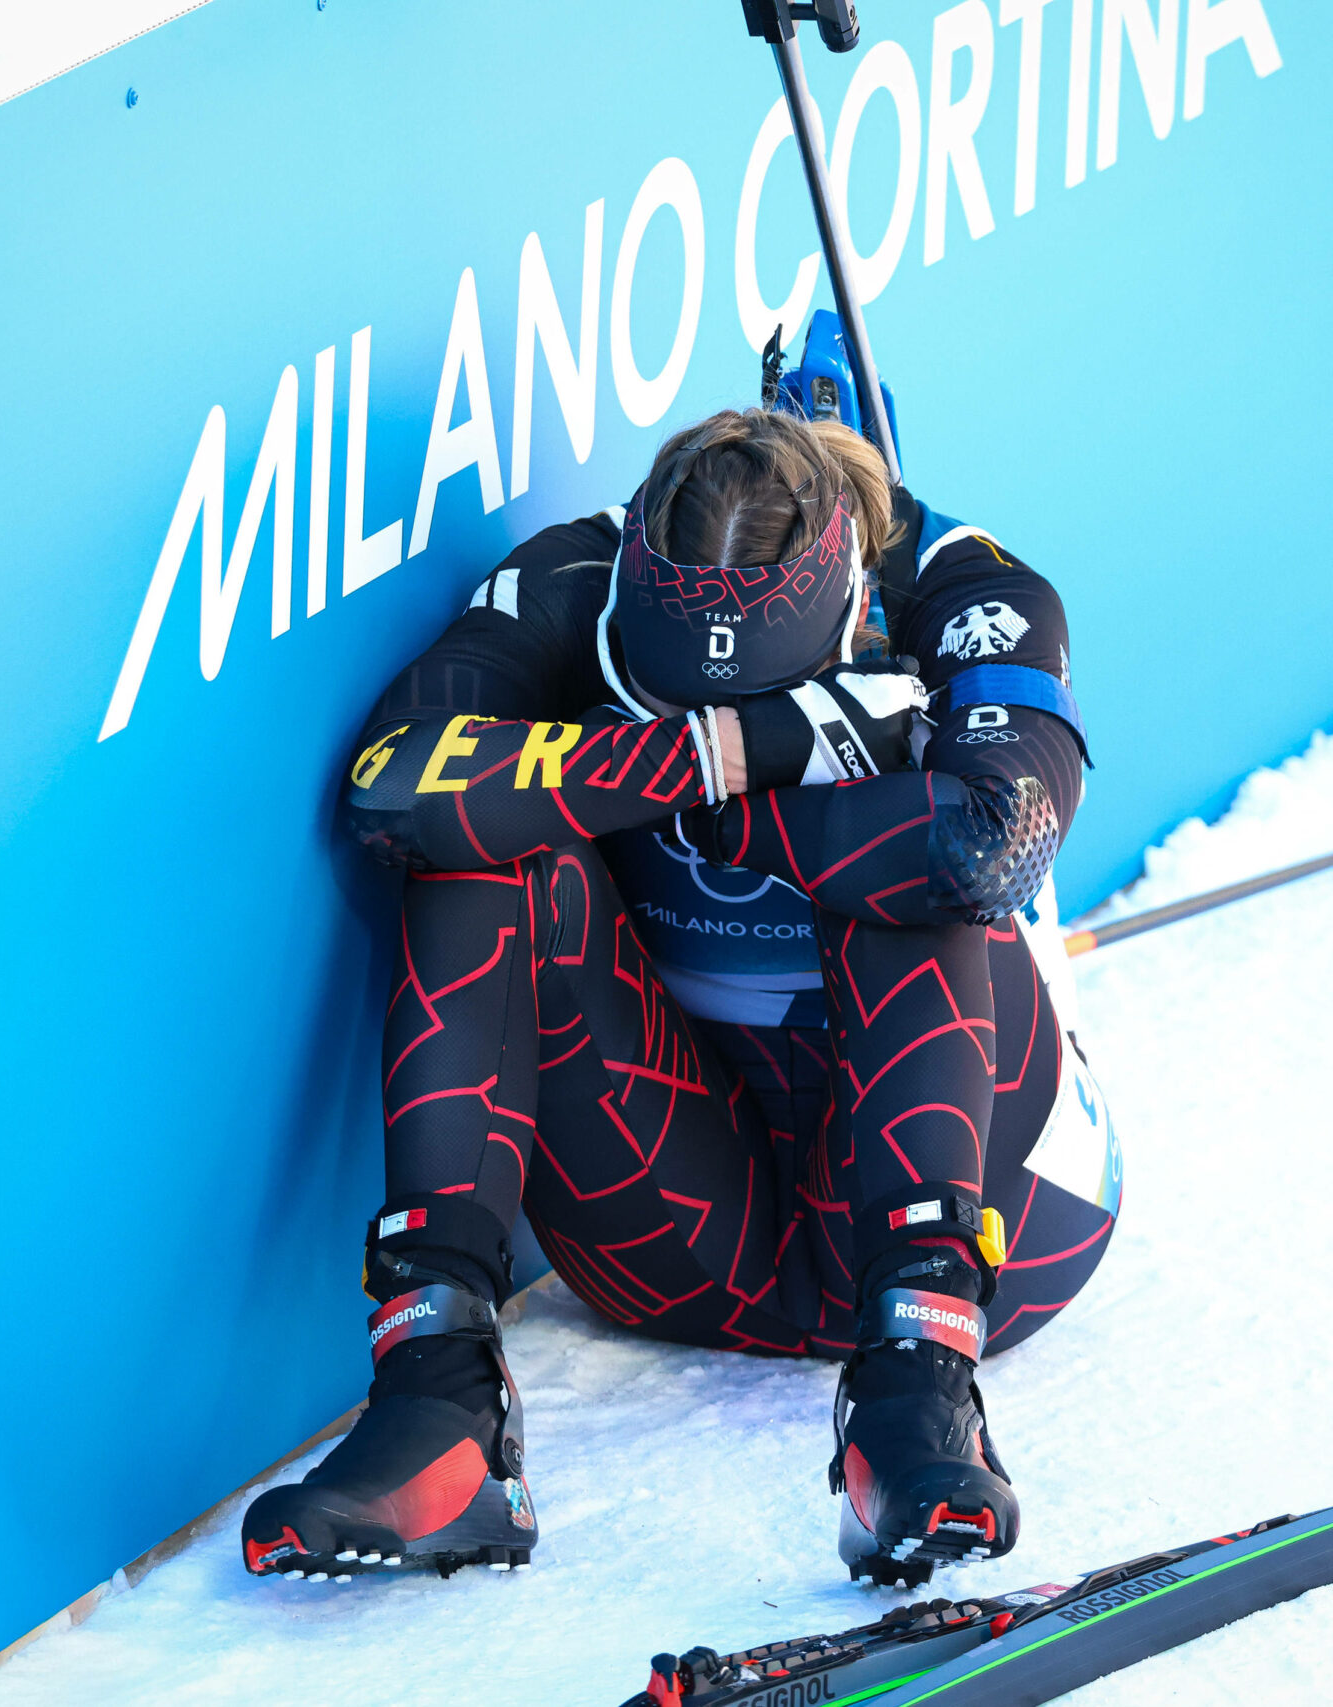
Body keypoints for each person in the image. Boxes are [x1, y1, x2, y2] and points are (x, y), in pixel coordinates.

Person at [239, 406, 1118, 1587]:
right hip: (685, 1229)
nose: (699, 715)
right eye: (666, 690)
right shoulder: (571, 573)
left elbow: (991, 849)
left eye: (760, 691)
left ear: (851, 602)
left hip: (997, 1218)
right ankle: (439, 1401)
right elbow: (394, 786)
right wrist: (740, 751)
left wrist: (633, 785)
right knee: (487, 850)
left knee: (907, 861)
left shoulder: (966, 593)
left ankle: (920, 1397)